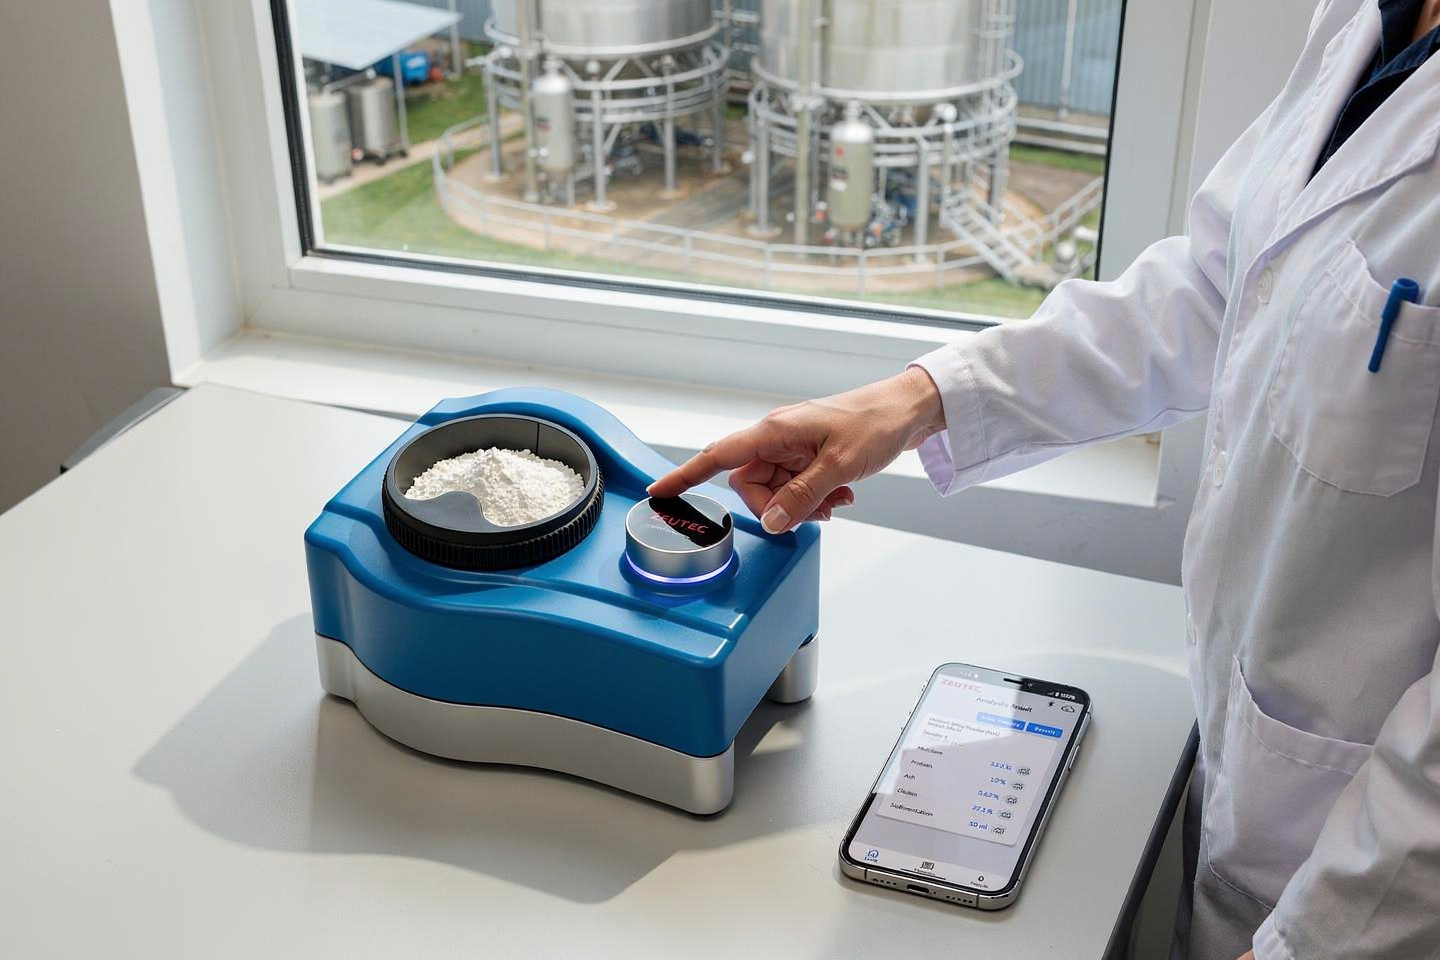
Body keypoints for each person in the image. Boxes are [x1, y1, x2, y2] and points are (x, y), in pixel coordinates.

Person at [649, 1, 1440, 957]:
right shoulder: (1367, 18)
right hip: (1255, 777)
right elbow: (1225, 288)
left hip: (1370, 886)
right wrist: (913, 400)